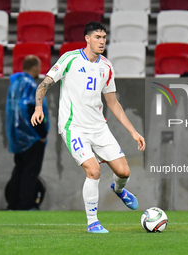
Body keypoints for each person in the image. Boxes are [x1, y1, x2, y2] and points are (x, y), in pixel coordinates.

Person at [31, 22, 145, 233]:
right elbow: (44, 84)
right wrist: (39, 107)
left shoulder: (106, 67)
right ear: (87, 39)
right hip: (73, 127)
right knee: (93, 171)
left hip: (99, 127)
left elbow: (113, 103)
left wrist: (133, 131)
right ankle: (92, 222)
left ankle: (119, 190)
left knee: (124, 172)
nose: (102, 41)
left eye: (104, 37)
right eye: (97, 37)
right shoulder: (70, 59)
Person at [5, 55, 50, 210]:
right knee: (31, 171)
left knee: (19, 169)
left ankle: (13, 203)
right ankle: (25, 203)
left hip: (18, 136)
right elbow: (32, 107)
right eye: (39, 66)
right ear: (34, 67)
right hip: (32, 136)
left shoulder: (15, 83)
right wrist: (42, 133)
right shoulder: (30, 84)